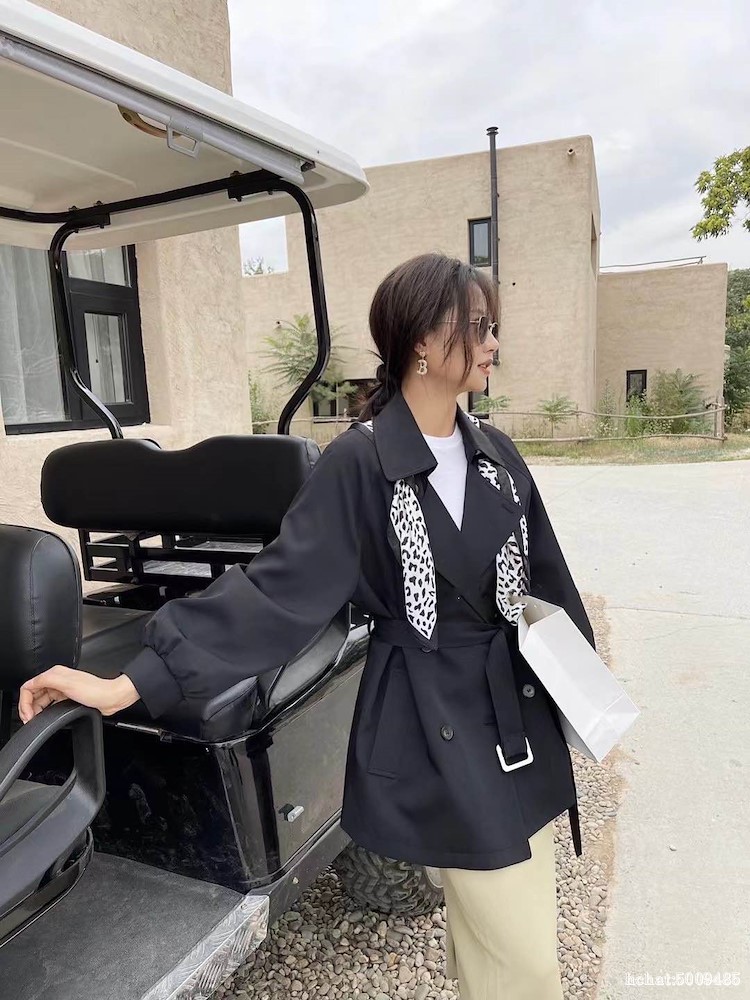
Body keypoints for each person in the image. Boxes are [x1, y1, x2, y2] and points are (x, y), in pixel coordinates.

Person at [19, 252, 596, 1000]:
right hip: (437, 719)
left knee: (506, 927)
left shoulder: (497, 458)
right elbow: (277, 591)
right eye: (480, 327)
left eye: (494, 328)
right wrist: (128, 683)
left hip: (515, 714)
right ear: (423, 340)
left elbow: (546, 580)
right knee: (525, 957)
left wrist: (583, 695)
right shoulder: (361, 463)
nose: (494, 344)